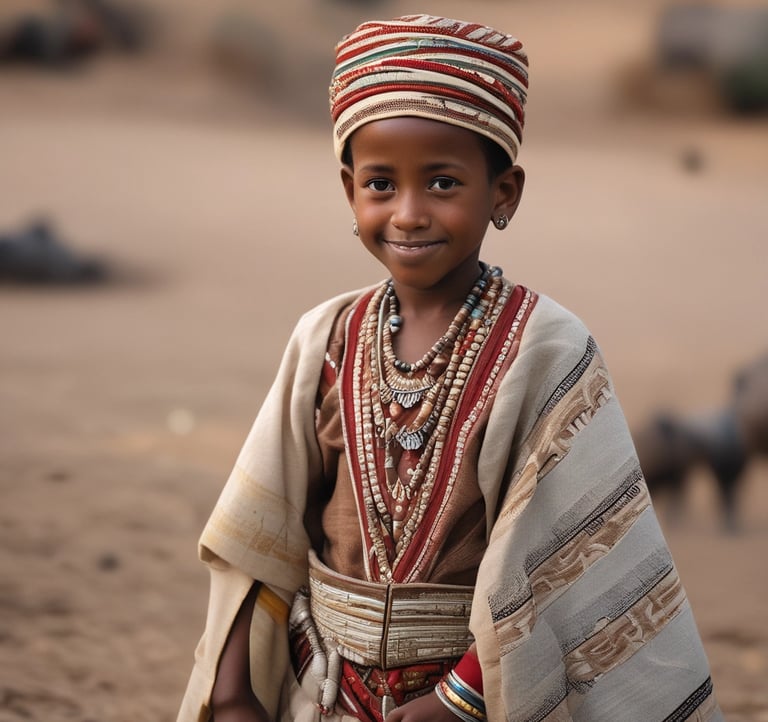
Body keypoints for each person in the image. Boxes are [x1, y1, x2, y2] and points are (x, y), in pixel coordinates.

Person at [178, 14, 721, 722]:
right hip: (325, 696)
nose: (407, 214)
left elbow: (562, 556)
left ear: (504, 194)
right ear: (349, 191)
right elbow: (261, 533)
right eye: (380, 184)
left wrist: (459, 699)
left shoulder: (546, 347)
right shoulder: (326, 339)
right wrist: (231, 690)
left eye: (441, 183)